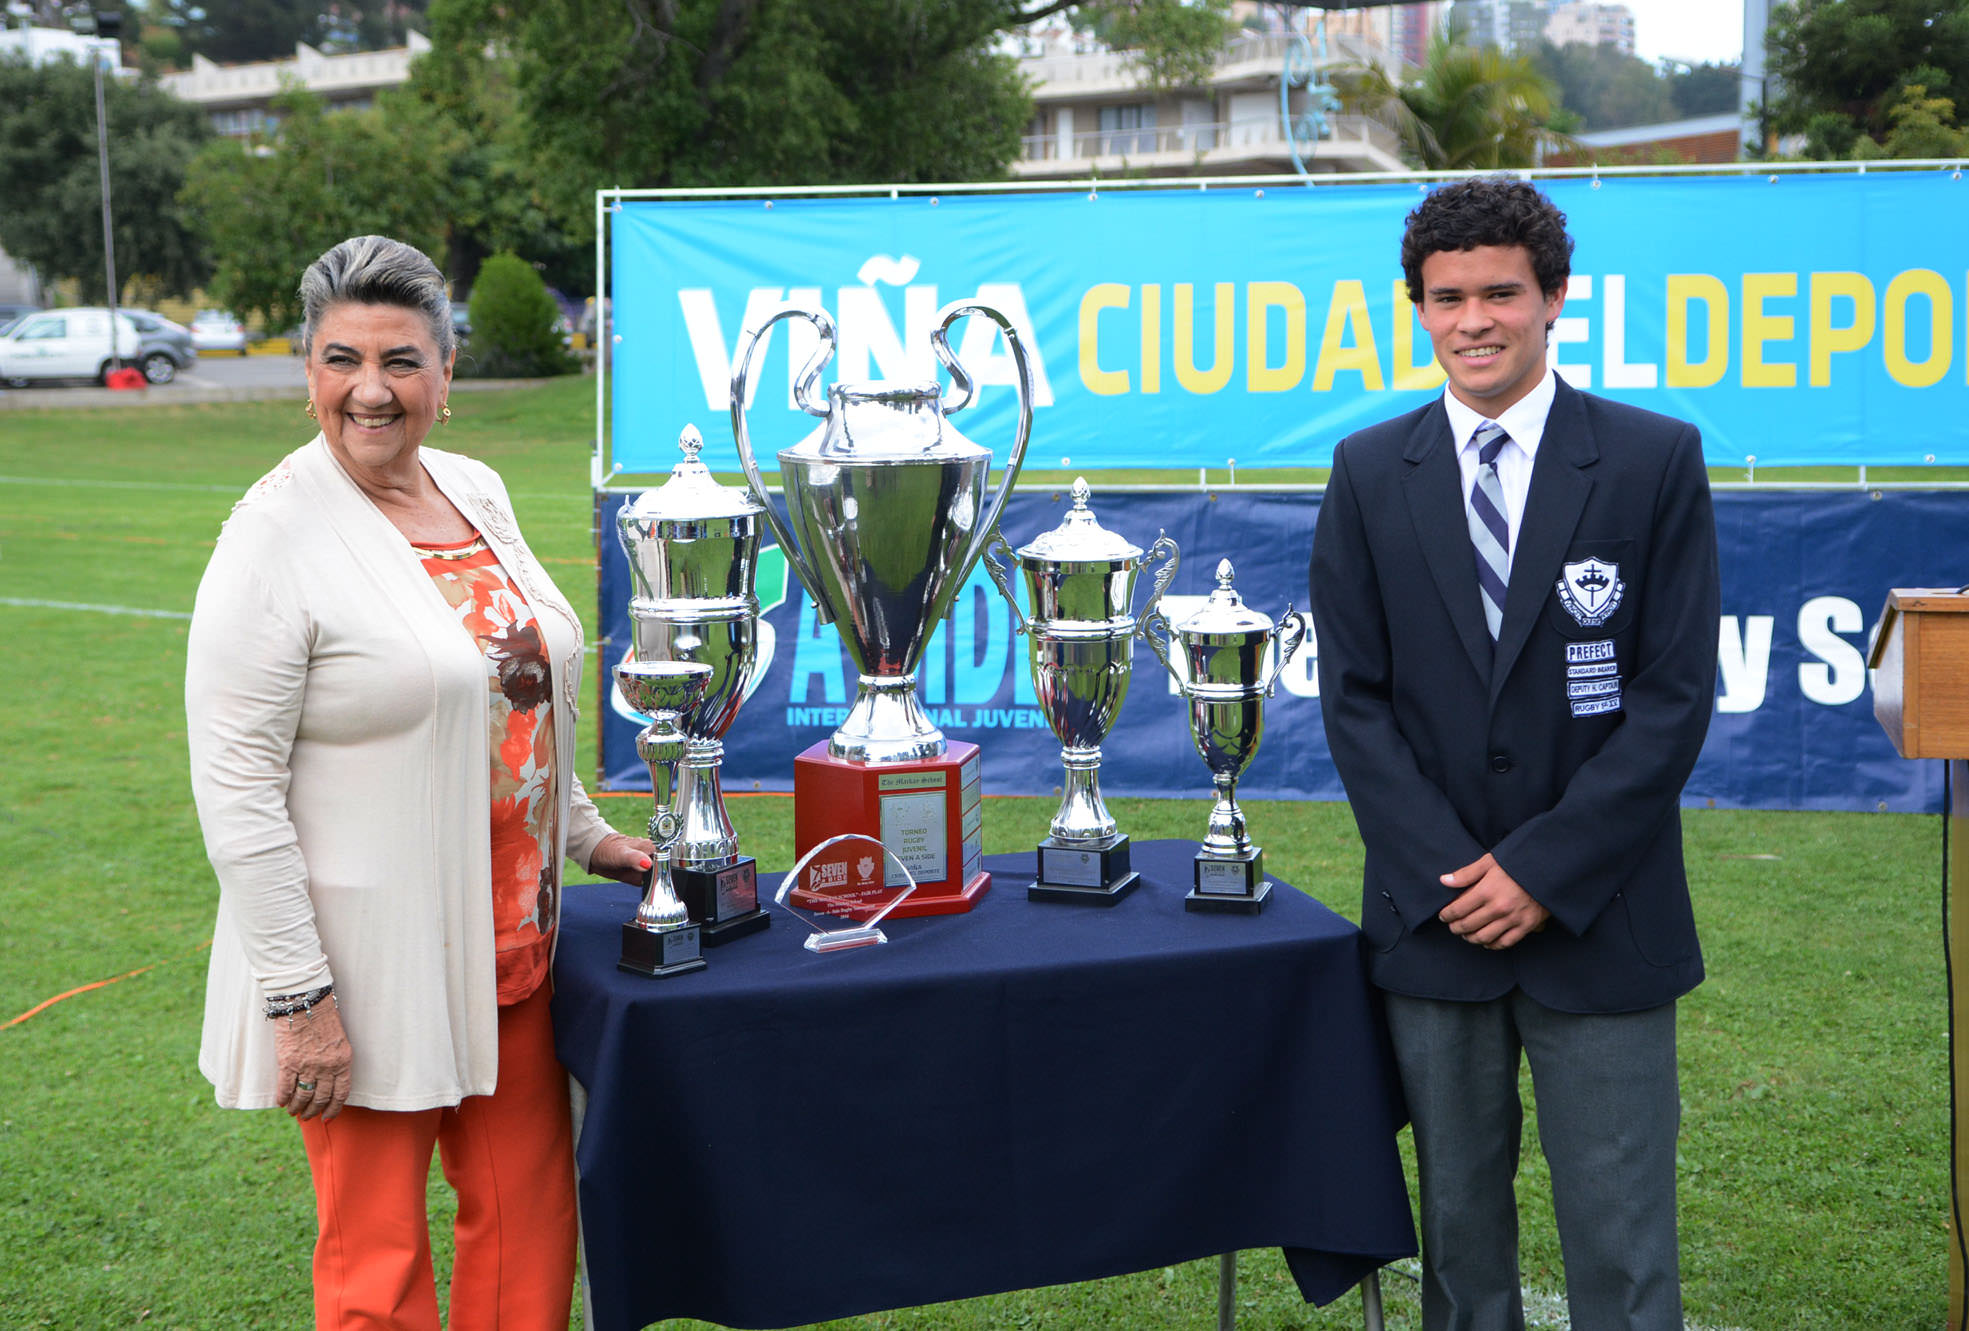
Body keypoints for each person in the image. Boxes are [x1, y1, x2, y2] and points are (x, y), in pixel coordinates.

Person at [186, 234, 655, 1331]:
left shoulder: (477, 490)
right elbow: (236, 785)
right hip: (361, 966)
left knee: (528, 1228)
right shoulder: (271, 534)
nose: (369, 388)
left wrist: (589, 836)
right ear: (308, 372)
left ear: (446, 377)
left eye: (400, 360)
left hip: (513, 947)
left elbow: (513, 693)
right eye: (339, 358)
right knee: (378, 1264)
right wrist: (301, 1001)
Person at [1309, 178, 1719, 1331]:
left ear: (1553, 301)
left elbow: (1674, 693)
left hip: (1604, 918)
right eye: (1446, 299)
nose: (1472, 320)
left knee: (1624, 1250)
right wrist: (1452, 872)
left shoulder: (1650, 459)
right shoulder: (1365, 470)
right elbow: (1355, 701)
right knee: (1459, 1254)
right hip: (1434, 924)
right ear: (1418, 309)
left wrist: (1543, 869)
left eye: (1499, 292)